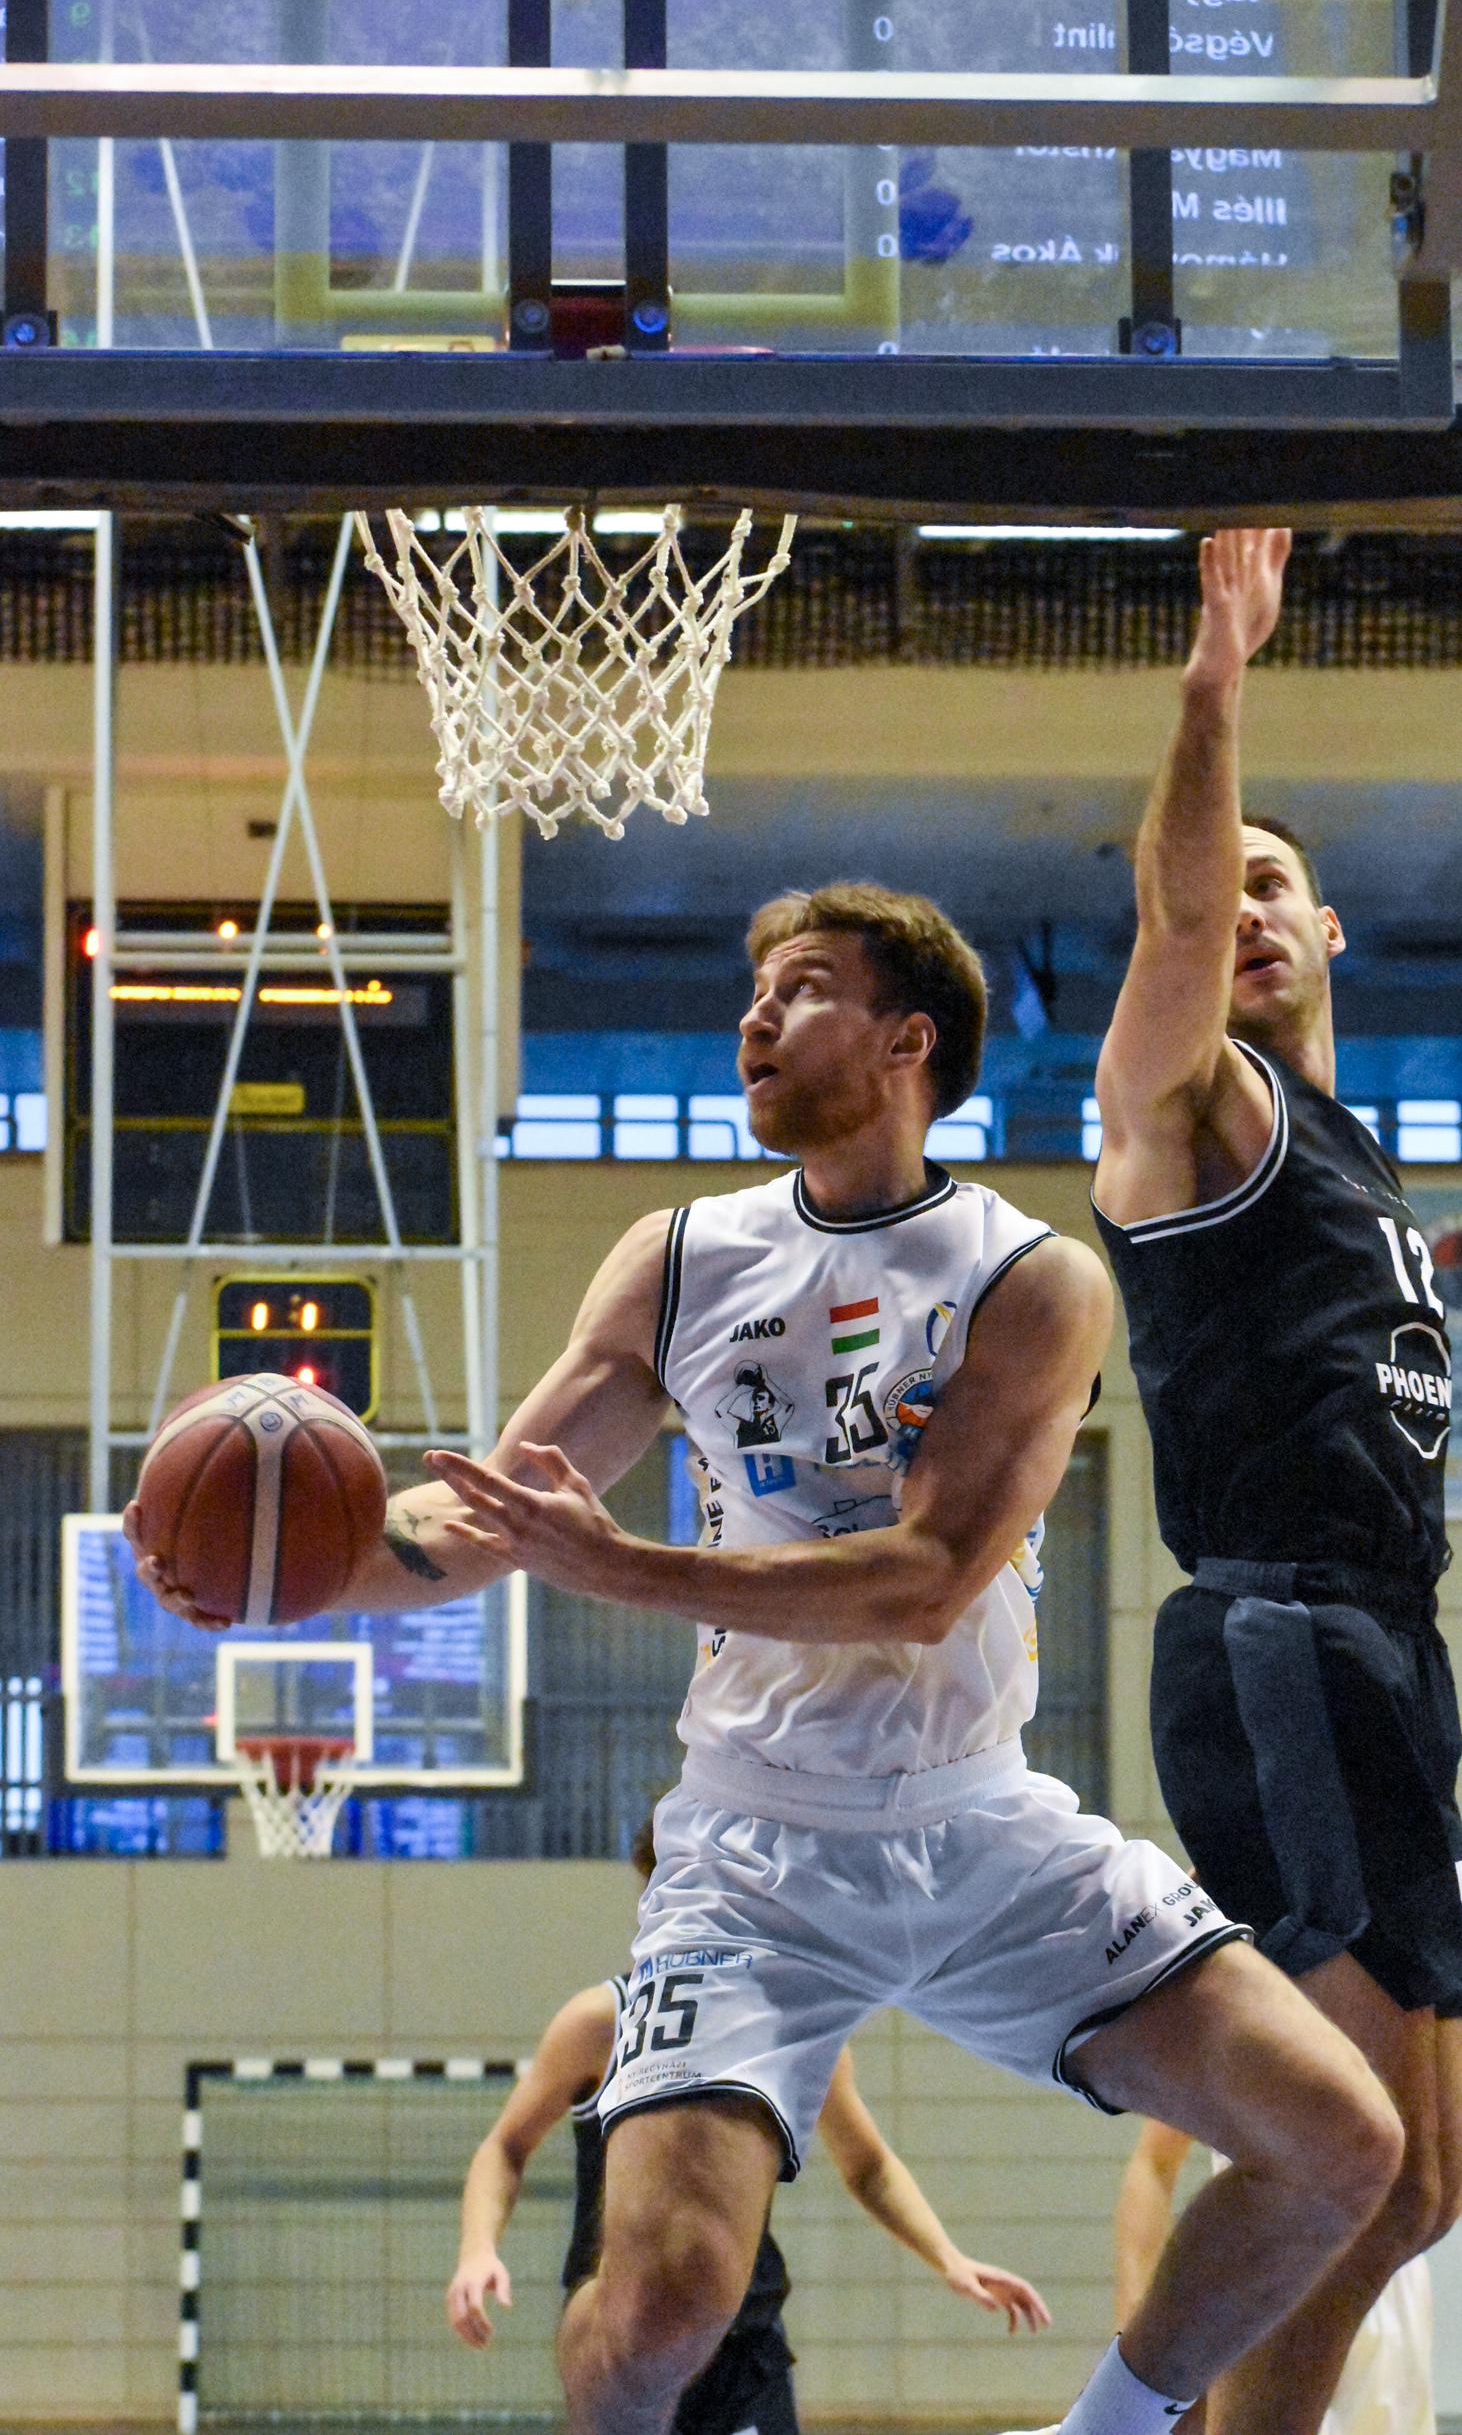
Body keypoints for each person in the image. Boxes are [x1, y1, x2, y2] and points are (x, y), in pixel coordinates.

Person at [130, 878, 1406, 2435]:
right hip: (752, 1851)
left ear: (906, 1041)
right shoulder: (679, 1259)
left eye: (798, 988)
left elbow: (924, 1581)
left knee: (1341, 2143)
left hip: (980, 1826)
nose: (751, 1017)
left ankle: (1103, 2432)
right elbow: (486, 1517)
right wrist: (281, 1575)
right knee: (664, 2308)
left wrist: (620, 1566)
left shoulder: (1028, 1277)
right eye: (753, 992)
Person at [1091, 526, 1462, 2435]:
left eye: (1273, 884)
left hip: (1389, 1646)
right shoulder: (1193, 1106)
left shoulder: (1354, 1158)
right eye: (1215, 879)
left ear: (1332, 934)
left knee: (1416, 2186)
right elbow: (1173, 927)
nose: (1237, 907)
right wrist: (1213, 681)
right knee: (1356, 2157)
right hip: (1280, 1635)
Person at [446, 1819, 1051, 2435]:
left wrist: (948, 2257)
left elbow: (868, 2165)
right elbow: (505, 2147)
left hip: (741, 2344)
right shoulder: (602, 2020)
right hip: (622, 2325)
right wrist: (477, 2250)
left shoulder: (790, 2021)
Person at [1114, 2119, 1435, 2435]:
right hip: (1268, 2274)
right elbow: (1155, 2161)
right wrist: (1141, 2367)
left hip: (1386, 2278)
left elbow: (1426, 2183)